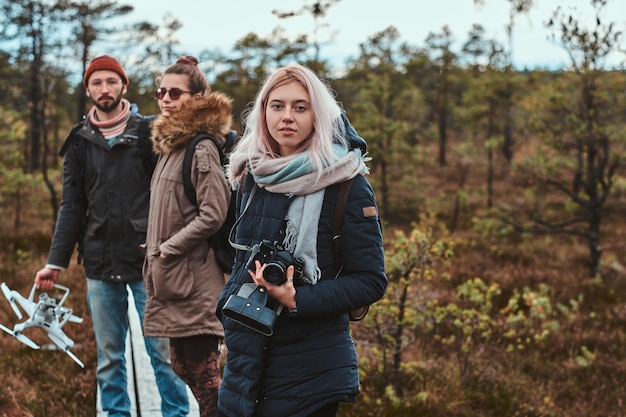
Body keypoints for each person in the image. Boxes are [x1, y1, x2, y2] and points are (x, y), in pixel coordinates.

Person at [216, 64, 387, 417]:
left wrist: (297, 299)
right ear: (263, 113)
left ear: (318, 115)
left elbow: (370, 281)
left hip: (312, 368)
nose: (286, 117)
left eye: (300, 107)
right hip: (246, 358)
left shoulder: (347, 183)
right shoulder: (252, 177)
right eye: (276, 106)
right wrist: (227, 312)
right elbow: (239, 263)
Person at [34, 55, 189, 417]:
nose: (105, 89)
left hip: (148, 261)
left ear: (124, 86)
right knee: (109, 356)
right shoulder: (79, 141)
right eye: (97, 82)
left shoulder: (149, 133)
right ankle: (116, 414)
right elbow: (71, 206)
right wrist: (55, 262)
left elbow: (174, 190)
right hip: (100, 263)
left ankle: (177, 414)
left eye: (111, 81)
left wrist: (187, 76)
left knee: (162, 353)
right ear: (87, 89)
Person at [142, 56, 232, 417]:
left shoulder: (201, 146)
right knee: (182, 366)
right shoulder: (171, 145)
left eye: (175, 93)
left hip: (195, 279)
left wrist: (168, 248)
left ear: (196, 97)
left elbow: (214, 213)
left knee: (205, 375)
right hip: (172, 276)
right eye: (161, 91)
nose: (165, 98)